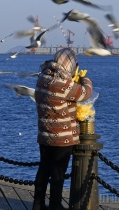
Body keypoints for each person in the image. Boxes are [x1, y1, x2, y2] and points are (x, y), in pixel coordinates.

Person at [32, 48, 93, 210]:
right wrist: (85, 79)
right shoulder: (62, 83)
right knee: (58, 173)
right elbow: (85, 94)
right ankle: (55, 205)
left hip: (44, 133)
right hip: (62, 137)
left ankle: (37, 204)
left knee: (44, 169)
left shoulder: (43, 77)